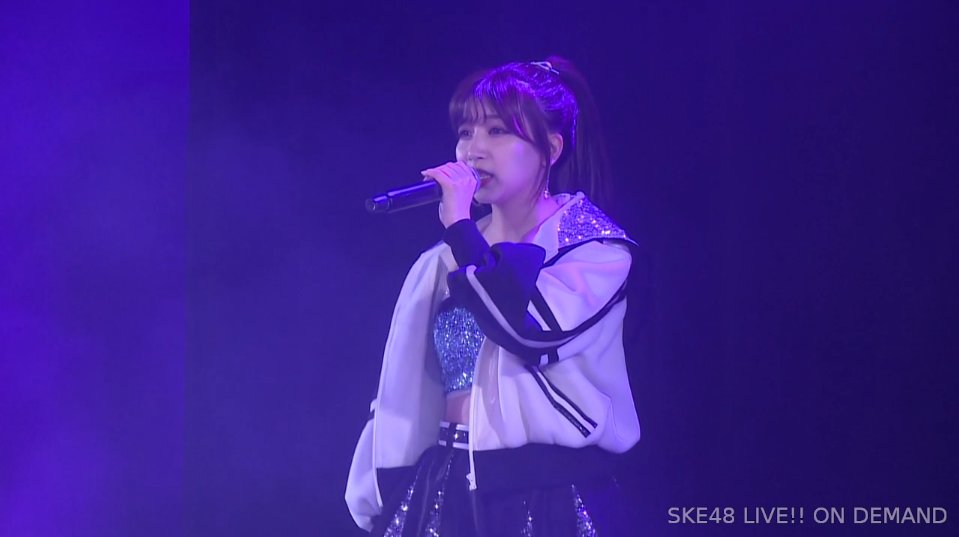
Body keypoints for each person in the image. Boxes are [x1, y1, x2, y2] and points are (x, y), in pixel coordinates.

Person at [346, 56, 641, 536]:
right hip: (445, 484)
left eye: (498, 131)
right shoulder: (440, 262)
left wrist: (463, 230)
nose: (473, 151)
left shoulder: (595, 253)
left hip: (545, 493)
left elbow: (528, 332)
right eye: (465, 132)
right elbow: (400, 392)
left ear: (551, 148)